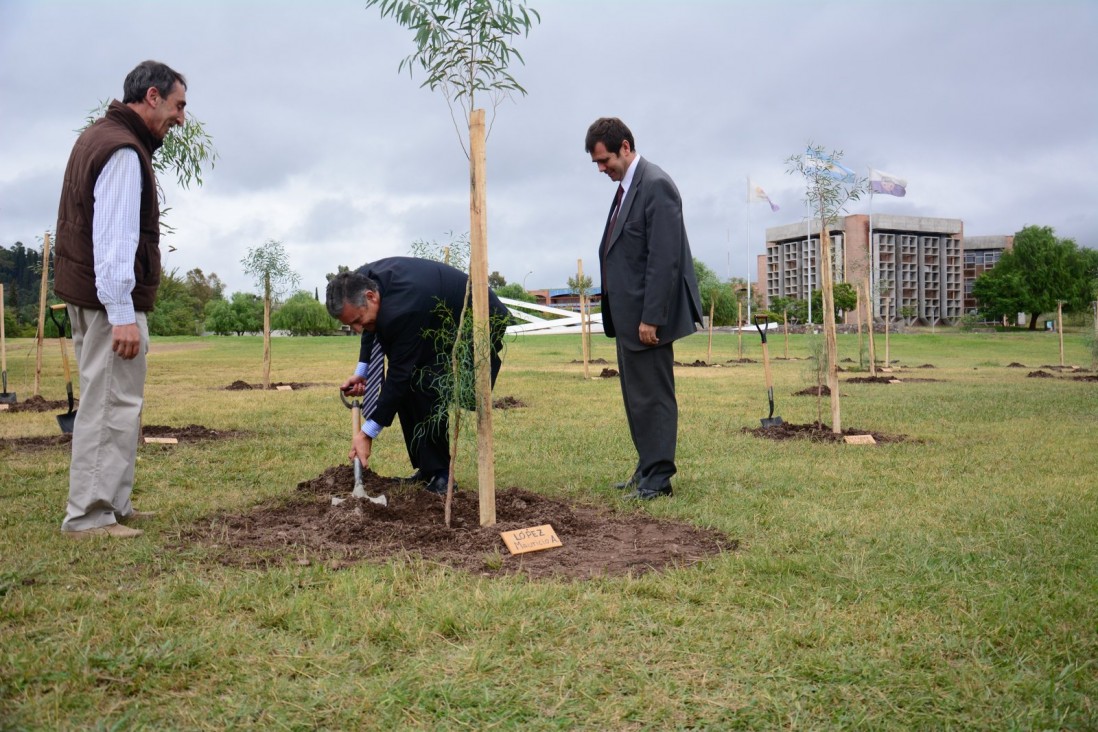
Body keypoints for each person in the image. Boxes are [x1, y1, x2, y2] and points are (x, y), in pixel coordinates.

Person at [54, 61, 188, 538]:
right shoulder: (123, 152)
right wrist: (122, 313)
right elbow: (113, 241)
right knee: (110, 402)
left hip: (89, 295)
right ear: (151, 96)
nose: (181, 117)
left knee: (114, 399)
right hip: (109, 300)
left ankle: (113, 503)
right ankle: (90, 515)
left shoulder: (99, 136)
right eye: (178, 106)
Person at [584, 117, 703, 501]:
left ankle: (659, 479)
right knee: (636, 398)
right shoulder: (627, 188)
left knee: (653, 397)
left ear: (625, 146)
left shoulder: (655, 185)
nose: (602, 169)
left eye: (604, 160)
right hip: (626, 318)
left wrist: (652, 317)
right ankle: (646, 465)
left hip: (646, 319)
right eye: (597, 164)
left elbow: (664, 259)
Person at [326, 257, 508, 496]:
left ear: (371, 296)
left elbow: (399, 374)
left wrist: (368, 433)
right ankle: (429, 469)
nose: (358, 329)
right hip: (435, 318)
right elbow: (372, 327)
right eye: (352, 325)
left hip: (478, 320)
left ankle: (442, 476)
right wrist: (362, 372)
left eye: (358, 321)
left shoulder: (404, 307)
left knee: (426, 382)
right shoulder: (356, 282)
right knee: (412, 384)